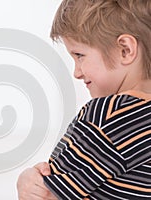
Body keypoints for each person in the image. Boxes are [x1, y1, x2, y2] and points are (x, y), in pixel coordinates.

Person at [17, 0, 151, 199]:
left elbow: (48, 194)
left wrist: (26, 182)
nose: (76, 72)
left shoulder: (107, 117)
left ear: (125, 49)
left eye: (80, 55)